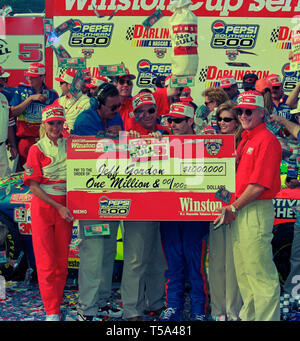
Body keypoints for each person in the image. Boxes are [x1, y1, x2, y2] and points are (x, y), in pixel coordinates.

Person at [214, 90, 282, 321]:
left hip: (252, 209)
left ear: (262, 113)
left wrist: (233, 207)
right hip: (241, 210)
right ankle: (250, 317)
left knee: (260, 273)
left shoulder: (266, 140)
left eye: (248, 111)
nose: (243, 115)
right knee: (244, 272)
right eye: (239, 111)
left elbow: (259, 185)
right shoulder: (246, 139)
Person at [72, 83, 123, 321]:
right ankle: (87, 308)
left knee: (108, 252)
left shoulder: (117, 117)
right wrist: (106, 136)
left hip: (111, 197)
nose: (117, 111)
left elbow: (121, 149)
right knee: (93, 253)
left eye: (119, 106)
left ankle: (102, 302)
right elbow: (88, 152)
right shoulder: (84, 120)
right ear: (98, 104)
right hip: (91, 201)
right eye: (112, 107)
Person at [158, 102, 210, 321]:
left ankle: (199, 308)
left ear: (191, 121)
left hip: (194, 214)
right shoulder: (161, 142)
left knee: (195, 264)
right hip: (168, 213)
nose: (173, 124)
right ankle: (173, 306)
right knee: (173, 263)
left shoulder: (207, 144)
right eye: (170, 120)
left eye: (178, 120)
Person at [23, 104, 74, 321]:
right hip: (45, 207)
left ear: (64, 124)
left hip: (65, 206)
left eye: (59, 123)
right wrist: (59, 207)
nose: (55, 127)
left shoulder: (71, 145)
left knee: (62, 262)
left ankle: (56, 304)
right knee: (45, 262)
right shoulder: (37, 149)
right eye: (51, 123)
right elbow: (33, 186)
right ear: (44, 124)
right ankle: (51, 311)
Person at [121, 92, 168, 321]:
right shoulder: (128, 136)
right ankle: (131, 310)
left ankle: (156, 303)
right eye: (142, 111)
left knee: (158, 259)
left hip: (165, 205)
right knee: (135, 259)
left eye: (152, 110)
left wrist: (165, 139)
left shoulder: (166, 132)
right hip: (138, 207)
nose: (148, 115)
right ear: (135, 114)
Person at [208, 100, 243, 321]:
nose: (222, 123)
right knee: (217, 262)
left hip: (238, 208)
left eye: (227, 119)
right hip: (213, 208)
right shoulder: (209, 141)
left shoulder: (244, 142)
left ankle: (233, 311)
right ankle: (217, 310)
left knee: (234, 263)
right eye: (219, 119)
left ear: (237, 121)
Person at [10, 63, 58, 168]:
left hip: (45, 141)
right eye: (28, 76)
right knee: (26, 173)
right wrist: (30, 99)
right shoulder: (21, 91)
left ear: (42, 77)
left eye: (33, 77)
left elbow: (57, 119)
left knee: (45, 172)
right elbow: (12, 113)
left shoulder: (52, 94)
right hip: (26, 141)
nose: (30, 79)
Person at [54, 69, 91, 135]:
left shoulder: (87, 102)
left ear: (69, 85)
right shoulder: (59, 101)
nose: (60, 86)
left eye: (61, 83)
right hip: (59, 139)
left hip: (76, 141)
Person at [0, 90, 18, 177]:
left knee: (4, 180)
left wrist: (12, 145)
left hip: (2, 148)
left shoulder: (3, 97)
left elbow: (9, 124)